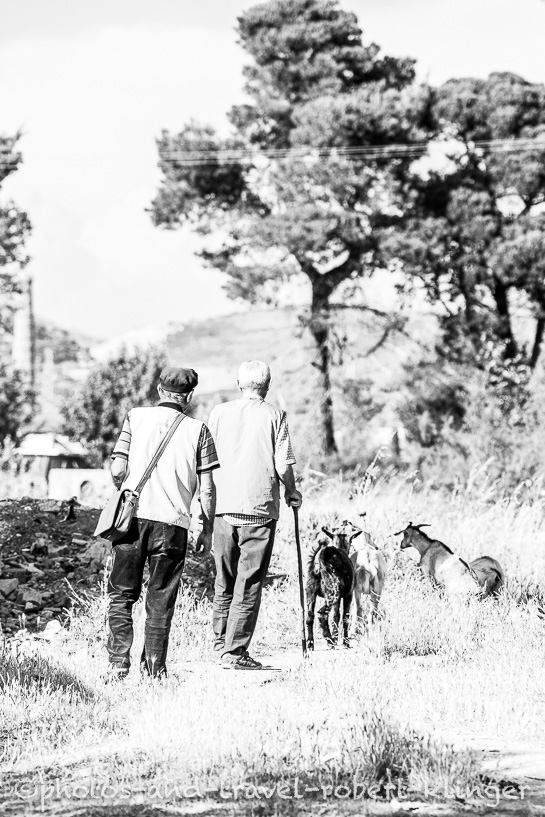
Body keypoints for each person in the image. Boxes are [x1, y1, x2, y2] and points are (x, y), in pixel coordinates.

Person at [107, 366, 218, 678]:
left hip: (133, 520)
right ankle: (154, 669)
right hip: (172, 526)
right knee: (161, 599)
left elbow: (118, 468)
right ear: (190, 396)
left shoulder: (134, 416)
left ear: (159, 391)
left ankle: (117, 664)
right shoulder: (199, 431)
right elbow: (207, 489)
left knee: (121, 595)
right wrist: (205, 529)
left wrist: (124, 491)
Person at [208, 360, 302, 670]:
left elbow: (206, 459)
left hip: (223, 508)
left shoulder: (218, 413)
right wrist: (292, 491)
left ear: (239, 384)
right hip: (258, 511)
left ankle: (221, 644)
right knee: (248, 581)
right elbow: (283, 464)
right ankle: (234, 654)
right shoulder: (275, 415)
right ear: (267, 385)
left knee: (224, 578)